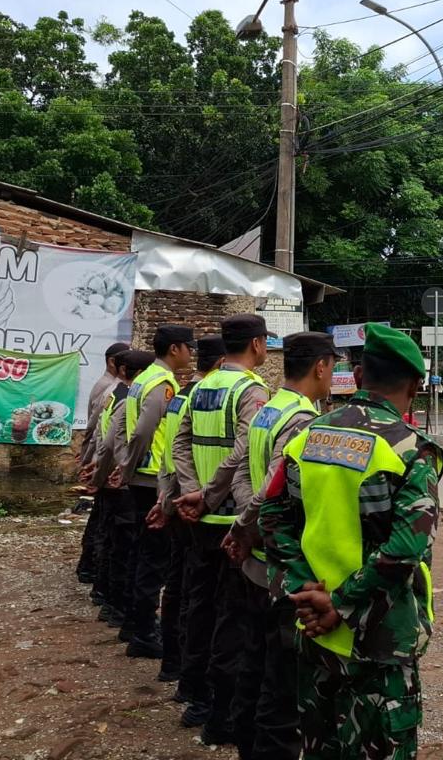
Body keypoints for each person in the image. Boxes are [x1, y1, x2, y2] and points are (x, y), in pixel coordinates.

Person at [261, 324, 443, 760]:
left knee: (318, 745)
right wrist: (340, 603)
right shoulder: (409, 449)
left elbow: (272, 517)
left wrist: (302, 590)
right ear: (414, 387)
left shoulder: (307, 436)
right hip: (379, 638)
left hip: (314, 631)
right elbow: (405, 550)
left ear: (359, 376)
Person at [223, 331, 340, 760]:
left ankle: (246, 746)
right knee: (282, 689)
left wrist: (243, 525)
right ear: (321, 367)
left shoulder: (269, 409)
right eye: (334, 367)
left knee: (252, 668)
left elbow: (241, 474)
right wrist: (246, 527)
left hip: (256, 562)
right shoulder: (304, 420)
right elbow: (272, 491)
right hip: (281, 569)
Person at [171, 314, 271, 744]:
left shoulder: (202, 386)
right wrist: (209, 496)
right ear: (257, 344)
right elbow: (244, 451)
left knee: (199, 605)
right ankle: (219, 710)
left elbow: (179, 442)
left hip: (199, 517)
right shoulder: (250, 391)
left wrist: (191, 491)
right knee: (232, 618)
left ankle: (192, 690)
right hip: (231, 521)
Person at [110, 324, 195, 658]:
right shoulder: (162, 383)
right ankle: (144, 631)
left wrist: (124, 464)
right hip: (150, 478)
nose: (191, 353)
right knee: (154, 559)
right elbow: (145, 430)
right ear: (174, 349)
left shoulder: (143, 379)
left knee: (141, 552)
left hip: (141, 476)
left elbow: (124, 427)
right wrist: (129, 465)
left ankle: (134, 623)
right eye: (188, 347)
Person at [152, 334, 226, 688]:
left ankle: (175, 664)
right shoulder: (204, 398)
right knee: (192, 592)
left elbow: (171, 451)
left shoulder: (182, 395)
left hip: (179, 497)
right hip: (198, 505)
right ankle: (185, 670)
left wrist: (165, 499)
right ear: (221, 363)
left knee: (180, 586)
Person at [86, 349, 155, 629]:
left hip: (112, 475)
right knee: (123, 547)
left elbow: (101, 437)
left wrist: (97, 472)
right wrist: (107, 474)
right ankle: (115, 605)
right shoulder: (126, 398)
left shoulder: (117, 395)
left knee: (112, 540)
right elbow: (112, 440)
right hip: (121, 479)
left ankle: (106, 596)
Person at [76, 341, 132, 585]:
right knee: (104, 522)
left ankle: (90, 566)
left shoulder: (114, 387)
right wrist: (89, 460)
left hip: (102, 461)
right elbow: (97, 429)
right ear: (113, 363)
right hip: (105, 463)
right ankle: (92, 567)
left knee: (101, 519)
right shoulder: (110, 389)